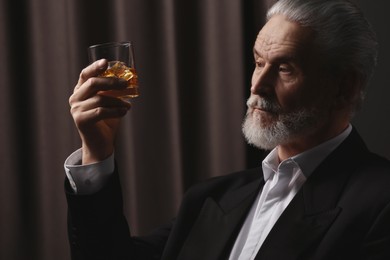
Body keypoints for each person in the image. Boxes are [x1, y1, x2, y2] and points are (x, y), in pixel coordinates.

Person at [65, 0, 390, 259]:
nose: (257, 86)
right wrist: (97, 149)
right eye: (259, 63)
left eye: (285, 68)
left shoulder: (379, 202)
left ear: (344, 87)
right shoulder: (209, 198)